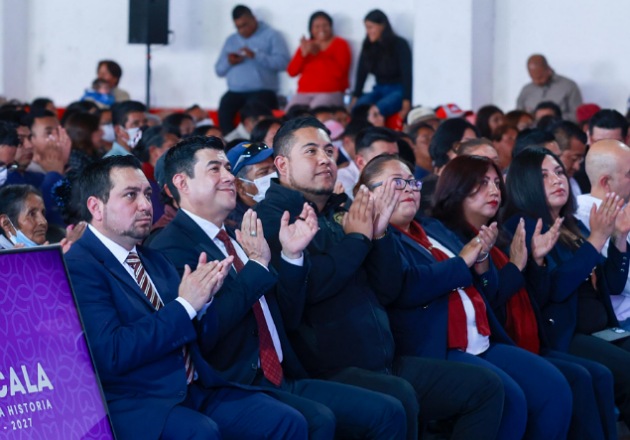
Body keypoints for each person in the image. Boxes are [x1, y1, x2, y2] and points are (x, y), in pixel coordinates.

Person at [256, 117, 505, 440]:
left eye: (329, 151)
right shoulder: (272, 218)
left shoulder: (341, 209)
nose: (325, 159)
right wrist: (358, 239)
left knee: (485, 388)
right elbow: (311, 288)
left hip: (382, 358)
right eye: (311, 151)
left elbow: (388, 288)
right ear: (282, 165)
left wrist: (381, 233)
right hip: (329, 368)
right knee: (398, 399)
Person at [148, 136, 407, 439]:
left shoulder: (237, 233)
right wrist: (257, 266)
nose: (229, 177)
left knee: (388, 411)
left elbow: (287, 315)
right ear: (182, 182)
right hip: (234, 385)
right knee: (316, 420)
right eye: (215, 169)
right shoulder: (169, 248)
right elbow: (206, 332)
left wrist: (292, 257)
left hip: (285, 374)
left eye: (228, 168)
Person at [65, 155, 308, 440]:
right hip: (139, 400)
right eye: (130, 195)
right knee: (201, 432)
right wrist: (186, 305)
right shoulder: (78, 266)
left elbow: (198, 336)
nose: (145, 205)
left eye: (147, 195)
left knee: (288, 421)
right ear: (96, 207)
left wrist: (204, 304)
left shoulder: (153, 259)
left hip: (196, 385)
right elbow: (113, 352)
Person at [357, 154, 572, 439]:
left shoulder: (433, 228)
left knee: (554, 387)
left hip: (481, 337)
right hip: (435, 345)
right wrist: (463, 262)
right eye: (397, 183)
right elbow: (405, 287)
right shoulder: (379, 238)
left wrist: (484, 264)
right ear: (368, 193)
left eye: (412, 182)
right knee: (510, 399)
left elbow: (487, 290)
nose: (409, 188)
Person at [432, 155, 617, 440]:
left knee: (592, 376)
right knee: (566, 383)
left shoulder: (501, 235)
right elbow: (490, 300)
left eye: (496, 183)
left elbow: (533, 296)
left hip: (527, 333)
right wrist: (516, 266)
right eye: (482, 183)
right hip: (494, 340)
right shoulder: (452, 238)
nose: (494, 190)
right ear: (456, 187)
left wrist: (537, 262)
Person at [502, 146, 630, 429]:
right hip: (563, 332)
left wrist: (619, 237)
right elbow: (555, 289)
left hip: (601, 328)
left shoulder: (569, 224)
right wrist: (597, 239)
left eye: (559, 172)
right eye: (544, 175)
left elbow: (612, 284)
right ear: (525, 183)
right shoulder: (522, 225)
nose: (557, 180)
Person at [577, 139, 630, 327]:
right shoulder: (586, 215)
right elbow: (624, 283)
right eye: (629, 174)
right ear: (606, 182)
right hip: (621, 319)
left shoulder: (622, 207)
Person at [215, 5, 290, 135]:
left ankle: (258, 143)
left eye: (245, 25)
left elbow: (283, 63)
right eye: (238, 27)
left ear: (254, 19)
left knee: (254, 112)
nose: (242, 30)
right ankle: (231, 142)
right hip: (235, 92)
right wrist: (229, 62)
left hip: (262, 91)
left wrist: (256, 55)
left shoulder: (272, 36)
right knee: (225, 106)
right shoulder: (231, 40)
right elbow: (219, 70)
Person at [352, 10, 412, 121]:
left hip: (398, 89)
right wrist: (355, 98)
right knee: (360, 108)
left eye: (371, 27)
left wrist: (407, 101)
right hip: (378, 89)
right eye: (366, 28)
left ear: (382, 26)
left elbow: (407, 74)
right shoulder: (368, 46)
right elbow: (361, 74)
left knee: (378, 109)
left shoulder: (400, 44)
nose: (368, 31)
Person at [286, 11, 351, 110]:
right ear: (311, 29)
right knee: (291, 112)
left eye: (325, 26)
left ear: (331, 27)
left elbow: (340, 73)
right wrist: (303, 55)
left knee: (316, 110)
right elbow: (291, 72)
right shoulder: (307, 45)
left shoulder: (340, 44)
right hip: (303, 94)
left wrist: (319, 54)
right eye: (317, 26)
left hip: (331, 93)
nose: (321, 29)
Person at [516, 54, 582, 121]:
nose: (537, 81)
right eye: (533, 77)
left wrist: (553, 118)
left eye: (540, 77)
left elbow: (578, 115)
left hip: (560, 126)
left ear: (548, 69)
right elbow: (517, 118)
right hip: (533, 127)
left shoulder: (569, 86)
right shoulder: (526, 90)